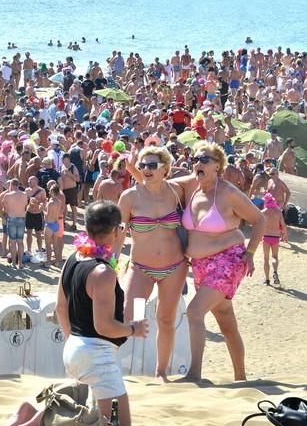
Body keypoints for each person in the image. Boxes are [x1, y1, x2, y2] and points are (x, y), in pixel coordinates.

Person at [56, 201, 149, 426]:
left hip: (74, 348)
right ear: (116, 230)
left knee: (94, 421)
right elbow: (104, 326)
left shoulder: (73, 259)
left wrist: (73, 341)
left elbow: (60, 307)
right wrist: (132, 329)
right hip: (96, 355)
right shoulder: (102, 272)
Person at [175, 142, 264, 382]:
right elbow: (162, 180)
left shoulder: (228, 193)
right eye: (195, 158)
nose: (198, 163)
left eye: (205, 159)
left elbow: (260, 220)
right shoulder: (193, 187)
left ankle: (194, 375)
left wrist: (251, 252)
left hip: (228, 261)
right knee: (226, 322)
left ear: (218, 166)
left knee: (194, 312)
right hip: (201, 266)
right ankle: (241, 378)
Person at [117, 147, 188, 382]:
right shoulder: (130, 196)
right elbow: (118, 233)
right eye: (142, 165)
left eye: (152, 165)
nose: (146, 169)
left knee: (166, 319)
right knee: (132, 316)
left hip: (174, 267)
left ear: (165, 169)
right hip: (142, 268)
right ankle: (109, 367)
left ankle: (161, 373)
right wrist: (110, 262)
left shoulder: (177, 191)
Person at [260, 192, 288, 286]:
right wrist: (285, 235)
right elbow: (283, 225)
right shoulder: (278, 211)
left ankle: (267, 280)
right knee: (275, 257)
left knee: (266, 258)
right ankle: (275, 271)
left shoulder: (263, 212)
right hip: (275, 237)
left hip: (266, 236)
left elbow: (258, 226)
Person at [1, 178, 29, 268]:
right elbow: (25, 206)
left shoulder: (8, 196)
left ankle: (13, 263)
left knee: (12, 242)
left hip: (12, 218)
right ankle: (20, 263)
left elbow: (4, 209)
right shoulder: (24, 195)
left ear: (11, 185)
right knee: (20, 242)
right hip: (21, 218)